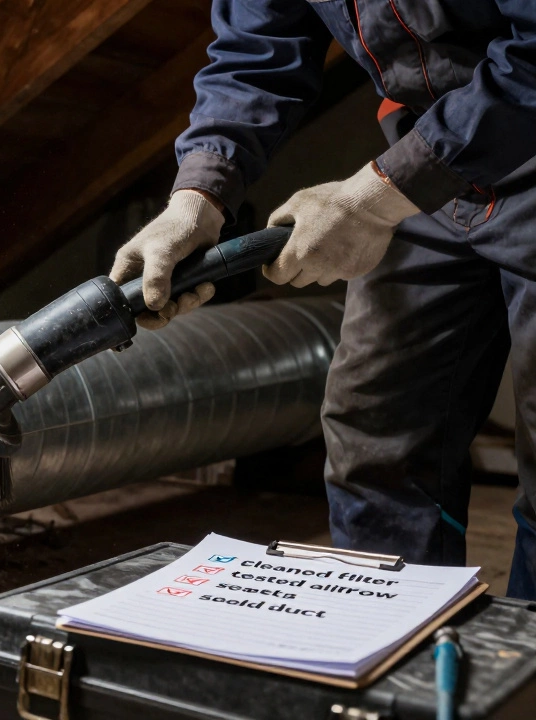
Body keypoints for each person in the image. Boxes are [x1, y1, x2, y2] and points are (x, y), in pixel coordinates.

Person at [110, 1, 536, 599]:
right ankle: (392, 659)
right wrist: (197, 198)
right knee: (376, 433)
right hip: (429, 154)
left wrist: (375, 196)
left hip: (496, 136)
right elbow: (256, 53)